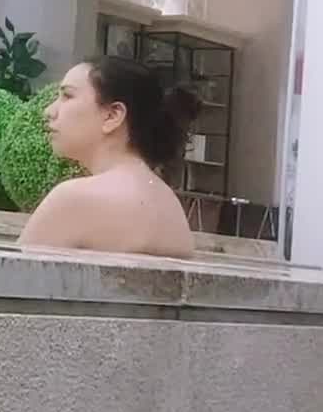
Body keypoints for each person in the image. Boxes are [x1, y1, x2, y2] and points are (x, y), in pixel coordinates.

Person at [18, 56, 196, 259]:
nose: (48, 111)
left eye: (67, 96)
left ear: (112, 116)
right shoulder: (170, 205)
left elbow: (9, 276)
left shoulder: (74, 199)